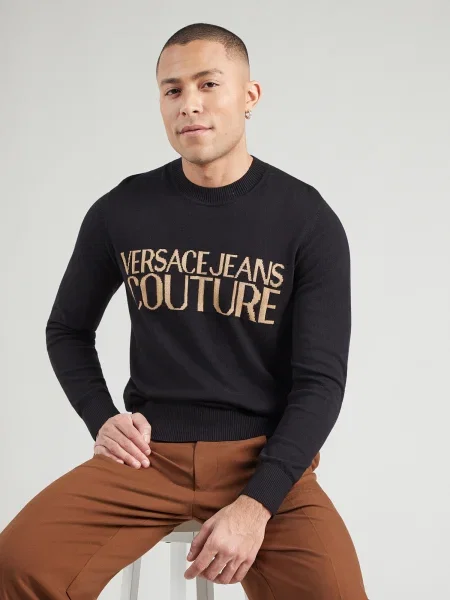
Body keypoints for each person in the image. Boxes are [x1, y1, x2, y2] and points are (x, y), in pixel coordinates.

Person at [0, 22, 369, 599]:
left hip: (267, 461)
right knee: (17, 563)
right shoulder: (121, 210)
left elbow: (320, 383)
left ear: (249, 96)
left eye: (208, 84)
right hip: (149, 461)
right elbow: (67, 329)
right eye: (172, 90)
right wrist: (101, 417)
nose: (189, 104)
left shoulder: (307, 219)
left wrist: (258, 503)